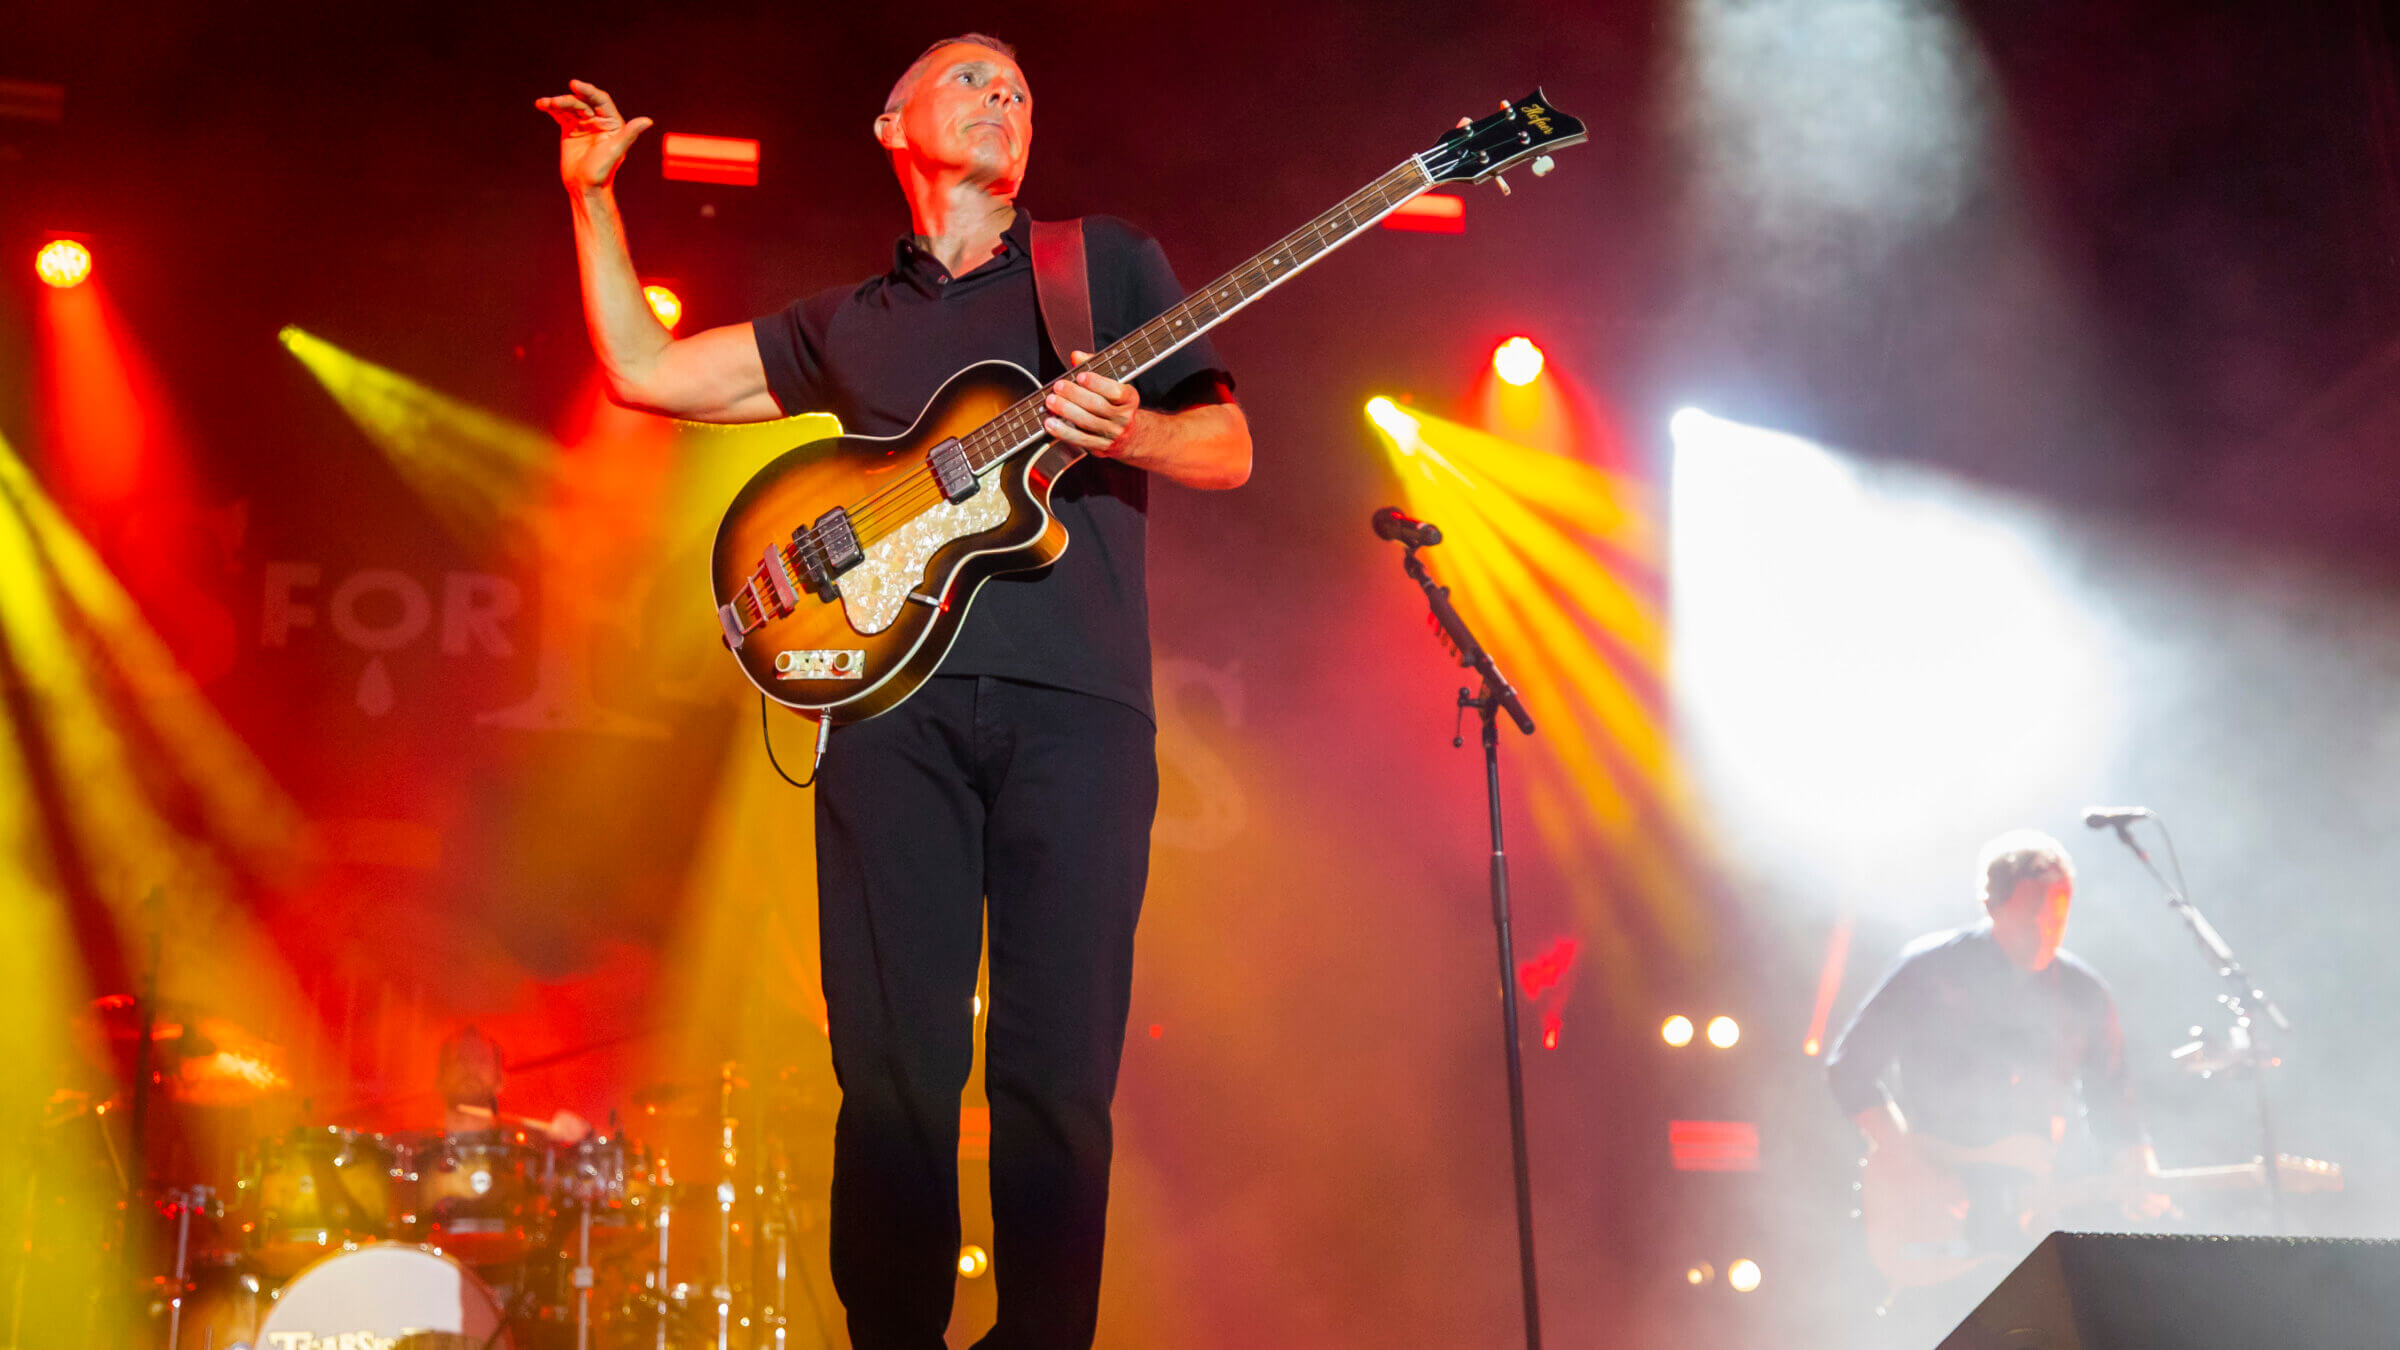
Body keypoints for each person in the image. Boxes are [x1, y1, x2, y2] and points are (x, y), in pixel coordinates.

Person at [538, 34, 1250, 1350]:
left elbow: (1226, 443)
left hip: (1075, 710)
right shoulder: (848, 323)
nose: (1008, 97)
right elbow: (644, 371)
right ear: (892, 124)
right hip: (888, 710)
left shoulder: (1100, 268)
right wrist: (593, 195)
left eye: (1025, 87)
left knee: (1056, 1073)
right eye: (974, 76)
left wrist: (1132, 430)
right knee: (893, 1071)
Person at [1826, 830, 2165, 1338]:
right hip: (1934, 1205)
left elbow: (2114, 1101)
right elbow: (1849, 1068)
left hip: (2028, 1215)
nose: (2046, 930)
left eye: (2058, 916)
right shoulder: (1930, 968)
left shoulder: (2084, 992)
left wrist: (2137, 1166)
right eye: (2032, 914)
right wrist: (1912, 1164)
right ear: (1992, 905)